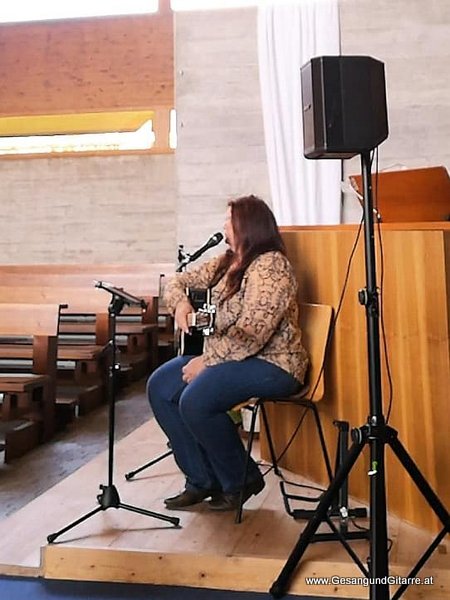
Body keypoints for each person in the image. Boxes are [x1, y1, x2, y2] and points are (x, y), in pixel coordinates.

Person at [147, 195, 308, 511]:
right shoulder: (226, 261)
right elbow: (177, 280)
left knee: (196, 399)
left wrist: (206, 362)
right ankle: (202, 480)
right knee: (161, 386)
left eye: (229, 220)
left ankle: (241, 478)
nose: (223, 226)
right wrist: (180, 302)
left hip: (274, 363)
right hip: (229, 358)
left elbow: (253, 333)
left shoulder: (271, 266)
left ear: (248, 226)